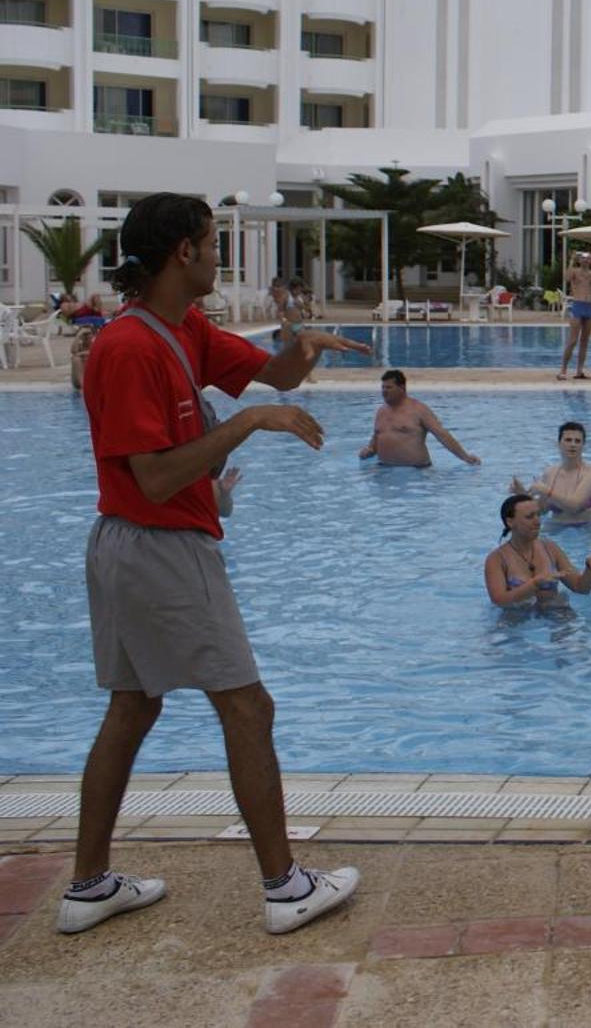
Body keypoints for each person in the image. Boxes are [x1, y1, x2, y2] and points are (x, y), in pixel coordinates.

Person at [63, 191, 371, 937]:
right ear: (182, 255)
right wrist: (247, 423)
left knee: (134, 705)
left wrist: (301, 346)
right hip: (158, 543)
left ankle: (88, 885)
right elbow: (158, 476)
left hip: (132, 544)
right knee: (247, 706)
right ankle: (285, 885)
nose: (217, 255)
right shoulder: (129, 347)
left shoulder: (183, 328)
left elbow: (277, 375)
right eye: (210, 242)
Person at [484, 493, 591, 609]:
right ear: (510, 522)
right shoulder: (497, 559)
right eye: (529, 517)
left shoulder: (550, 548)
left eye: (538, 515)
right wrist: (534, 584)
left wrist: (590, 569)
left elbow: (580, 588)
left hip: (554, 613)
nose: (537, 521)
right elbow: (499, 601)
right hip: (516, 618)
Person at [358, 370, 480, 468]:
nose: (384, 391)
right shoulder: (381, 411)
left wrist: (466, 457)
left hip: (416, 473)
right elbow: (376, 438)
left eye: (389, 387)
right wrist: (368, 451)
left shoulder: (418, 410)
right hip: (384, 469)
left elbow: (442, 435)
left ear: (402, 388)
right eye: (383, 387)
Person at [510, 420, 591, 525]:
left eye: (577, 441)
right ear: (558, 443)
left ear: (583, 445)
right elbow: (541, 510)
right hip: (558, 527)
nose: (573, 444)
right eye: (568, 440)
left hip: (587, 528)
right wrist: (522, 494)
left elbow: (575, 506)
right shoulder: (550, 473)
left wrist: (546, 491)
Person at [558, 250, 591, 381]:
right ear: (579, 260)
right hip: (577, 305)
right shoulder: (575, 272)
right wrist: (571, 260)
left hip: (588, 307)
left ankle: (579, 371)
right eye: (583, 258)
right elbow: (566, 277)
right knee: (573, 340)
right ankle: (563, 370)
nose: (585, 260)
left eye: (587, 258)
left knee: (585, 341)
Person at [69, 324, 95, 393]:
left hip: (92, 380)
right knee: (76, 359)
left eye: (88, 334)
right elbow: (73, 351)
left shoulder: (95, 344)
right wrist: (78, 335)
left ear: (93, 335)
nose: (86, 336)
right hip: (79, 382)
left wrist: (81, 354)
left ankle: (85, 387)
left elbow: (93, 353)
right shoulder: (79, 346)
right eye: (84, 334)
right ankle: (83, 386)